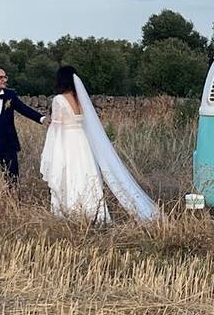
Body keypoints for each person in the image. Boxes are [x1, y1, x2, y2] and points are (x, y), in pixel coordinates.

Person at [40, 66, 159, 223]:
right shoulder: (81, 99)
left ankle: (70, 212)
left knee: (69, 174)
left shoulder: (59, 100)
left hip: (67, 141)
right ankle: (93, 213)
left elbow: (56, 127)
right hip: (83, 141)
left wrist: (51, 150)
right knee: (85, 173)